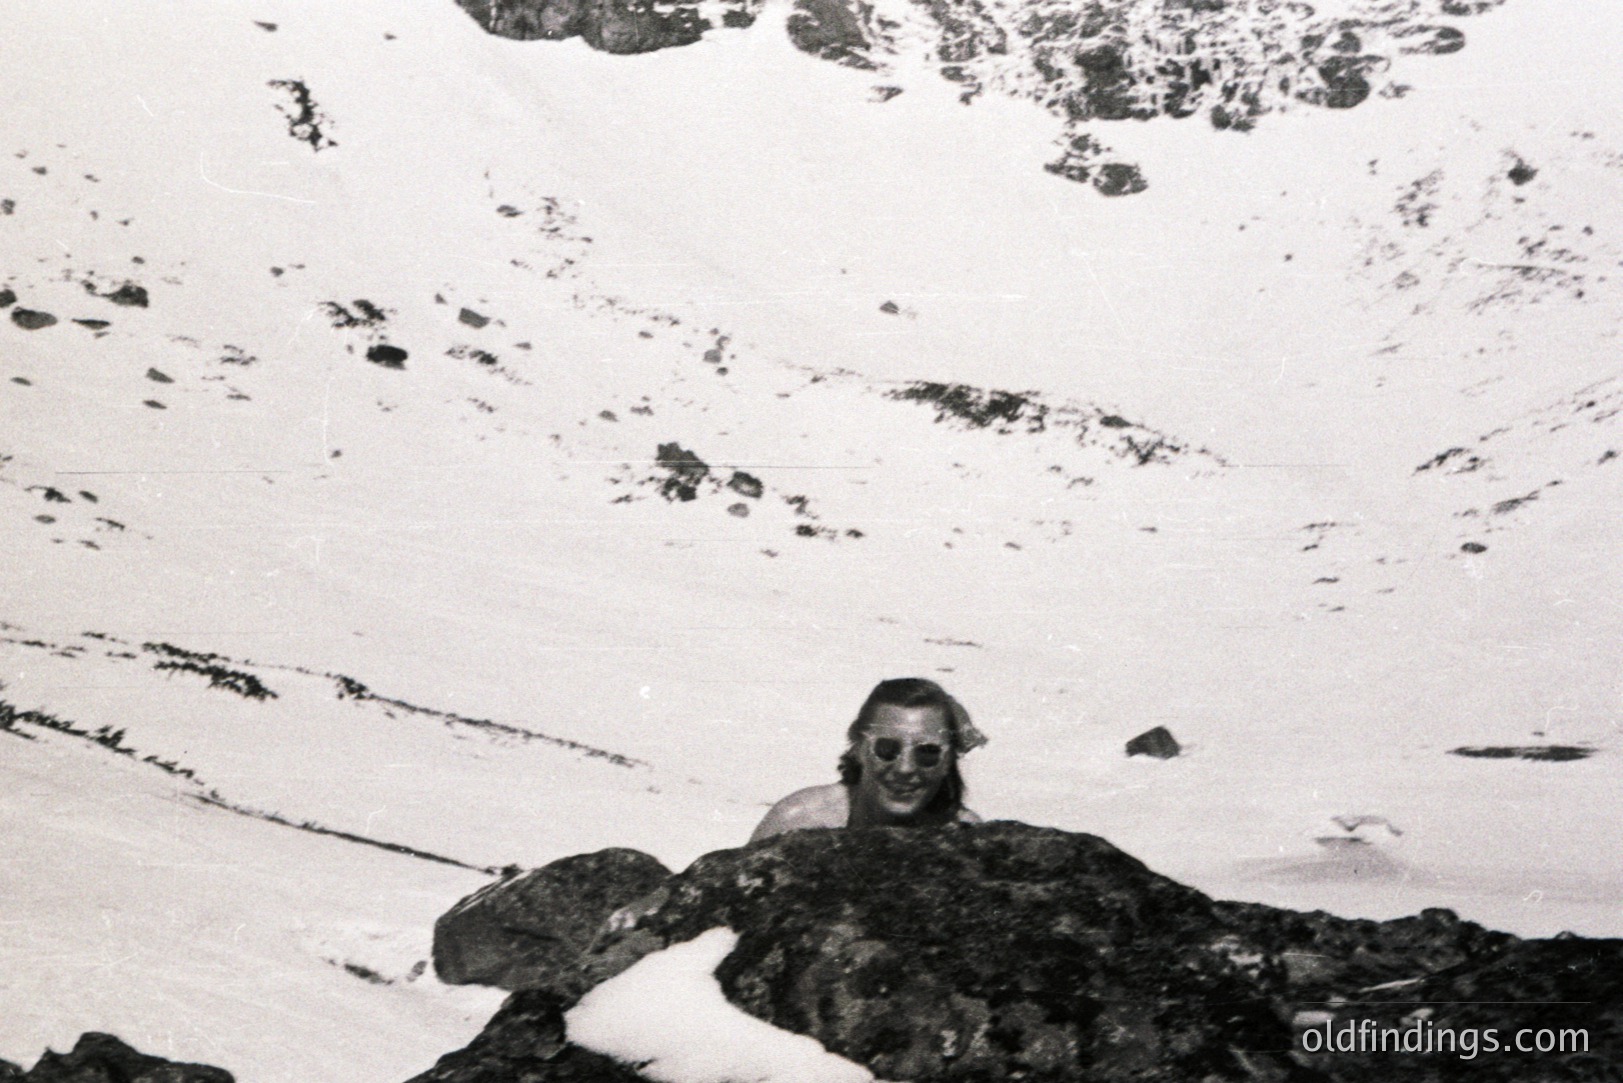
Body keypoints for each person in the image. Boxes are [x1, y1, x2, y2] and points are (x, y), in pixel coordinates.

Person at [749, 677, 987, 842]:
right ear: (859, 749)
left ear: (948, 761)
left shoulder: (969, 836)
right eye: (886, 748)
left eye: (927, 752)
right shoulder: (799, 819)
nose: (905, 768)